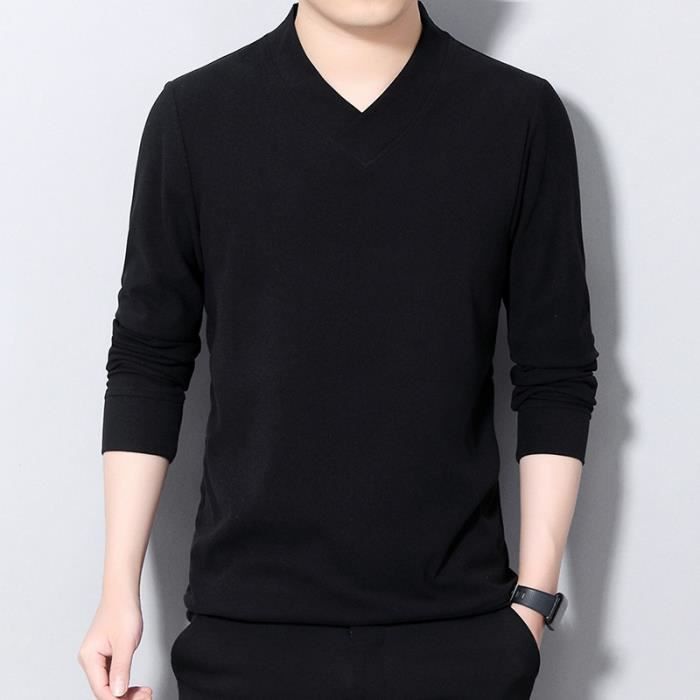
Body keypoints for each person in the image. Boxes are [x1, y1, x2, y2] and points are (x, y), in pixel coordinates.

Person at [77, 1, 599, 698]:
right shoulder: (196, 116)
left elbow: (556, 372)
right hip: (246, 641)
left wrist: (531, 607)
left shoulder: (518, 116)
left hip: (462, 640)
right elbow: (148, 362)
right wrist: (117, 593)